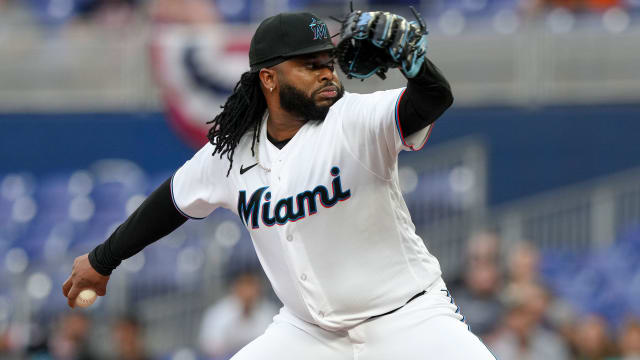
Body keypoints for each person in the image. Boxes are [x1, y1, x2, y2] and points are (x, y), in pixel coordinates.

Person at [62, 10, 495, 359]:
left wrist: (414, 64)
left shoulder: (354, 120)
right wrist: (103, 260)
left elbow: (432, 100)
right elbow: (171, 202)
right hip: (309, 333)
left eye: (329, 63)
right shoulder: (231, 154)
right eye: (310, 65)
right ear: (268, 78)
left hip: (407, 318)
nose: (327, 74)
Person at [199, 269, 278, 358]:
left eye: (251, 284)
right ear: (234, 286)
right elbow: (211, 349)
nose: (248, 290)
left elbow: (273, 348)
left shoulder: (270, 313)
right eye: (243, 284)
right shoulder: (218, 314)